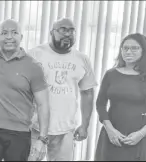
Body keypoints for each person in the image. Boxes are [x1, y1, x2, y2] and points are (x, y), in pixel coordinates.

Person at [0, 19, 51, 161]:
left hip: (20, 134)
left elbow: (43, 105)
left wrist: (42, 139)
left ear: (21, 37)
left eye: (14, 33)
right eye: (4, 33)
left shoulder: (34, 66)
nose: (9, 37)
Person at [26, 18, 97, 161]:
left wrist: (84, 125)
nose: (68, 34)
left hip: (66, 129)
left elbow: (87, 93)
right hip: (34, 128)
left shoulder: (81, 59)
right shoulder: (34, 54)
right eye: (63, 30)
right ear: (52, 32)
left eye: (71, 31)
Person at [94, 33, 146, 161]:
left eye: (134, 48)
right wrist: (110, 129)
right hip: (111, 135)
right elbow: (100, 104)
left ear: (143, 51)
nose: (129, 51)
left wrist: (141, 134)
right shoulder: (111, 74)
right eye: (125, 48)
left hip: (140, 137)